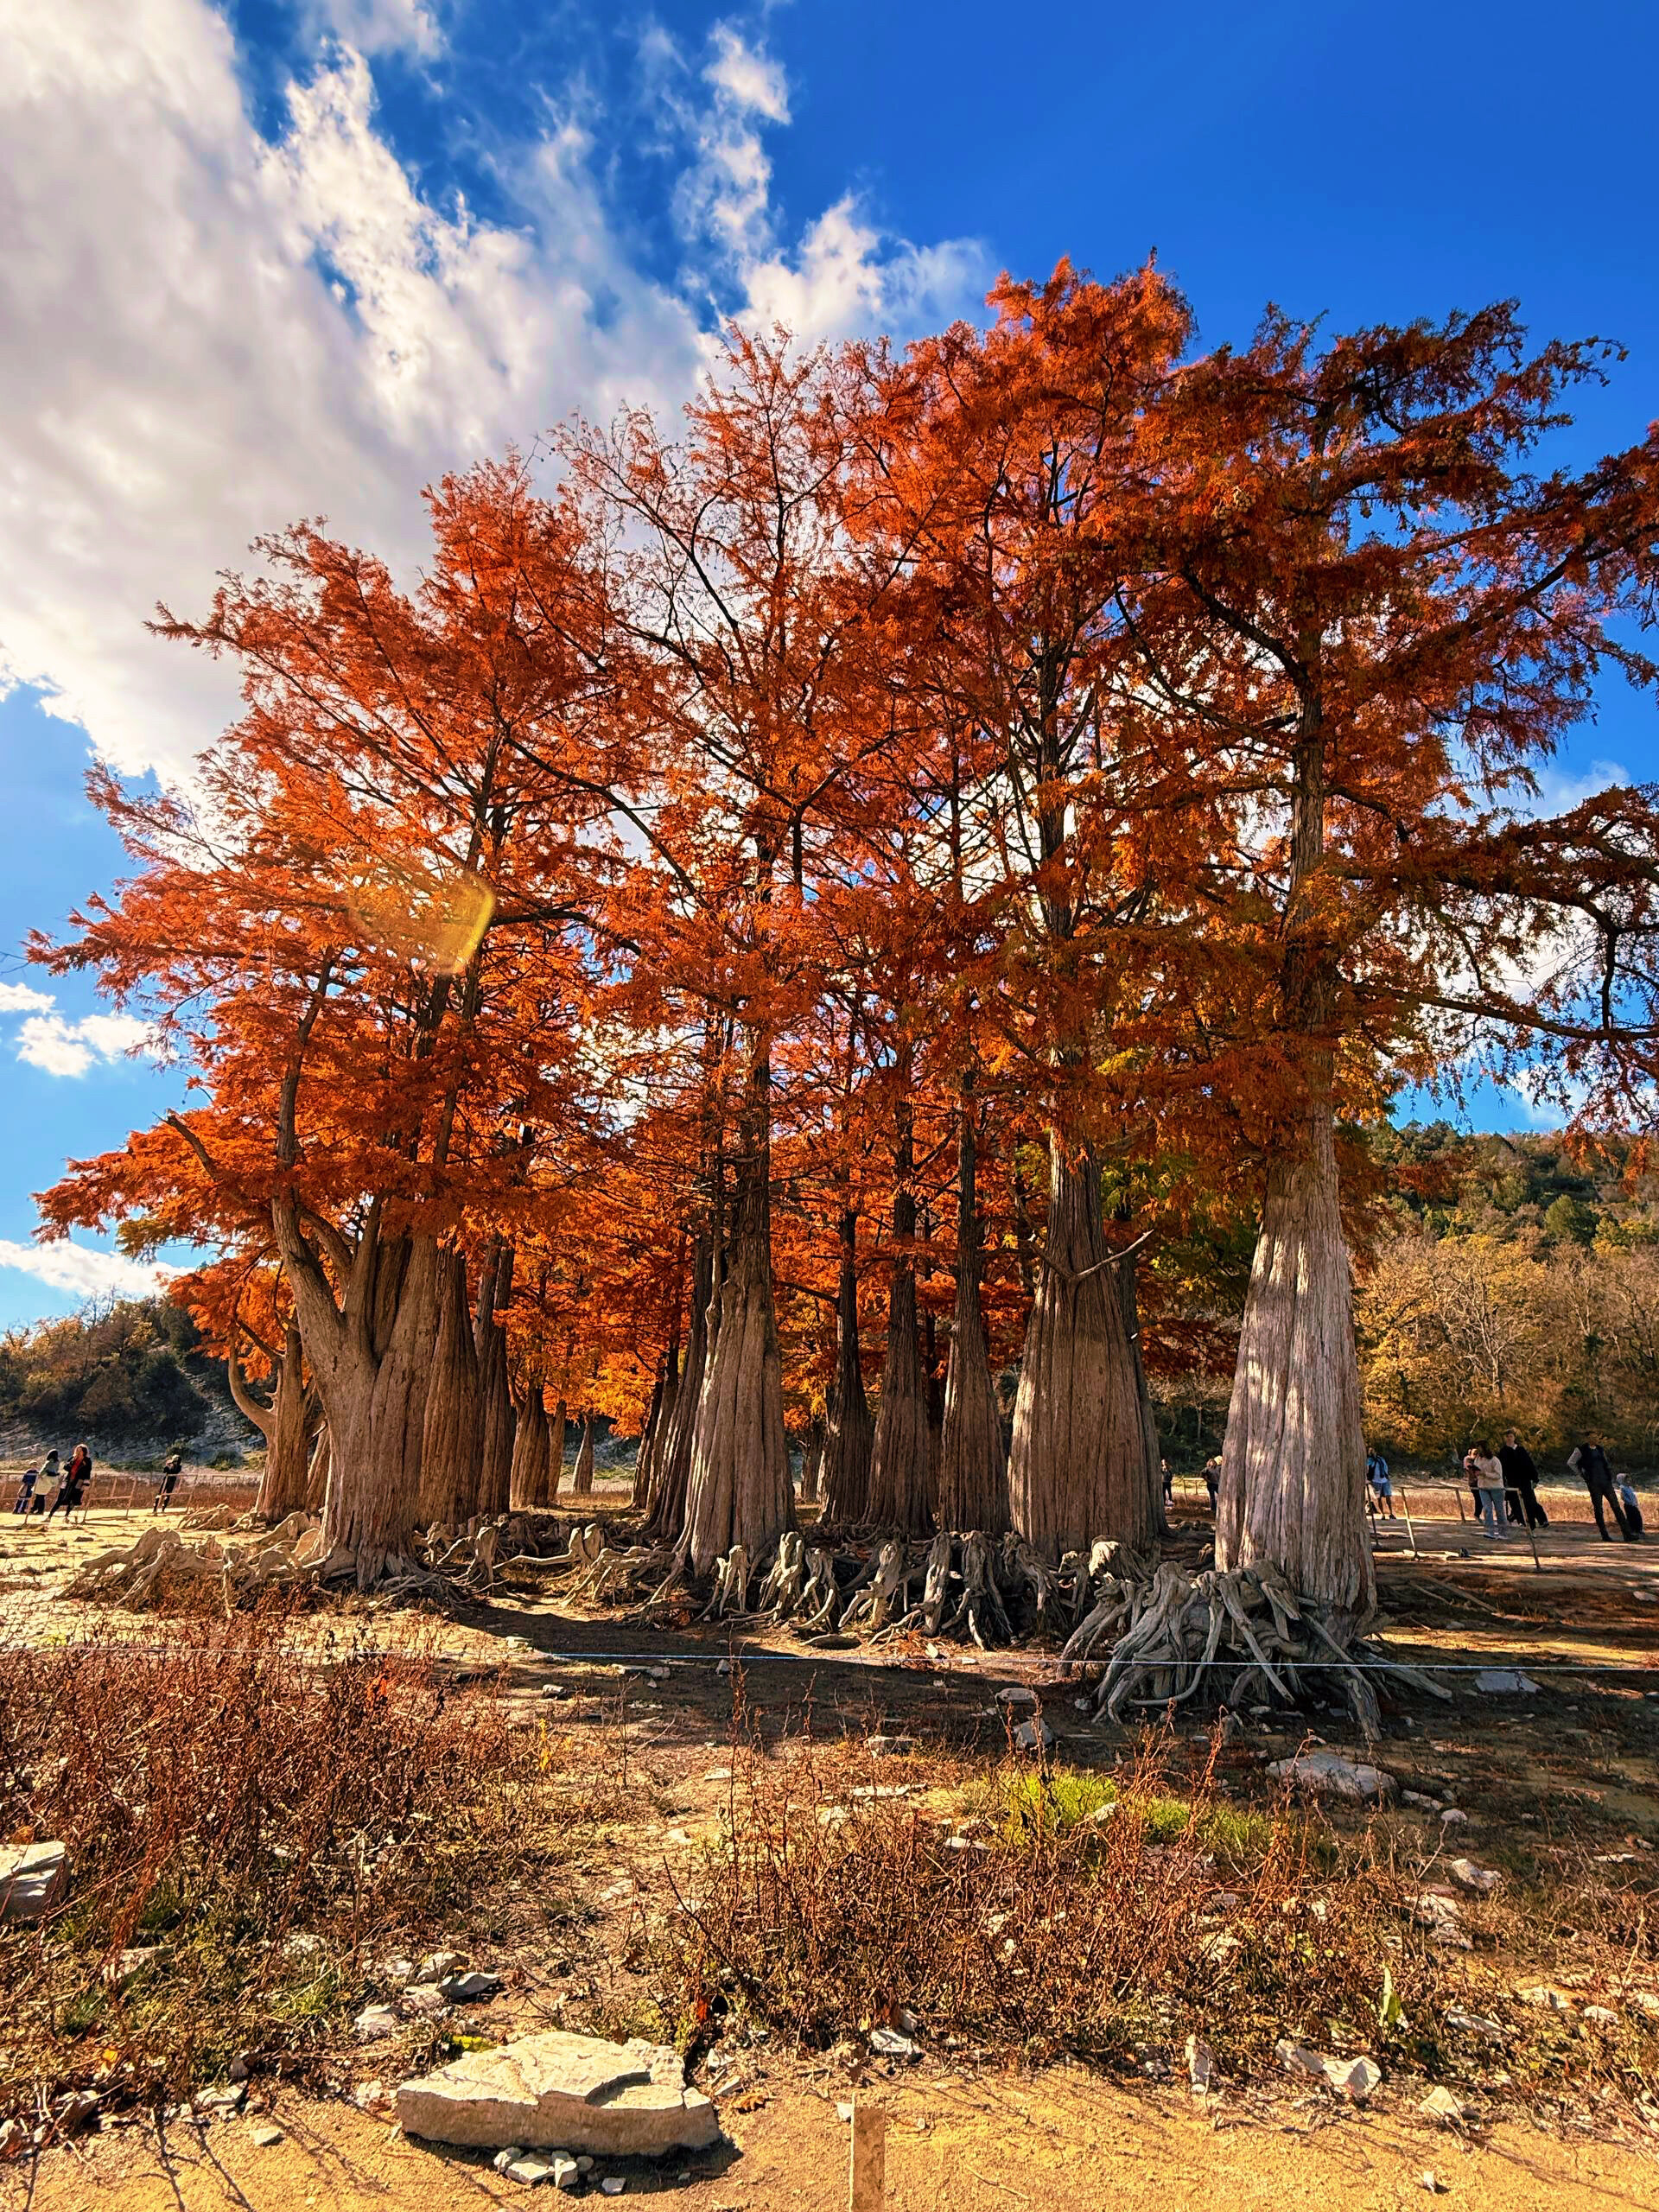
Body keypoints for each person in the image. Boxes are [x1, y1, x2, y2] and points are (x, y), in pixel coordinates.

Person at [1567, 1436, 1635, 1541]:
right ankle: (1604, 1535)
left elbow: (1605, 1463)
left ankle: (1627, 1534)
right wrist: (1582, 1474)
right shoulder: (1581, 1450)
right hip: (1594, 1483)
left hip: (1606, 1482)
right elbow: (1571, 1463)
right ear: (1587, 1438)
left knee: (1616, 1507)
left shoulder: (1600, 1449)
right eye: (1592, 1436)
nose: (1595, 1439)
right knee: (1598, 1509)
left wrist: (1609, 1475)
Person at [1497, 1429, 1548, 1530]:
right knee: (1515, 1503)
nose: (1509, 1438)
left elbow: (1529, 1464)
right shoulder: (1503, 1452)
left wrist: (1535, 1478)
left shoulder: (1521, 1450)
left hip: (1525, 1480)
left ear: (1514, 1437)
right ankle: (1522, 1522)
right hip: (1511, 1481)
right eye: (1507, 1436)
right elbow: (1501, 1468)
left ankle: (1540, 1521)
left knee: (1530, 1502)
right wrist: (1502, 1482)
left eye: (1511, 1436)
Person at [1463, 1441, 1508, 1539]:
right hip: (1483, 1487)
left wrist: (1484, 1474)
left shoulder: (1495, 1460)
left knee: (1499, 1510)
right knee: (1487, 1509)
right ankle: (1490, 1531)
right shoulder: (1478, 1459)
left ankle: (1502, 1532)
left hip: (1496, 1488)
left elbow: (1498, 1475)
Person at [1366, 1446, 1395, 1519]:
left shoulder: (1381, 1459)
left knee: (1388, 1496)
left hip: (1384, 1480)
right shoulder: (1369, 1461)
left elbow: (1386, 1468)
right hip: (1376, 1481)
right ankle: (1383, 1514)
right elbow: (1367, 1469)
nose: (1372, 1453)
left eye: (1373, 1451)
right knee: (1379, 1498)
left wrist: (1386, 1476)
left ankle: (1391, 1513)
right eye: (1370, 1452)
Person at [1616, 1473, 1645, 1539]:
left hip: (1633, 1505)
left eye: (1629, 1480)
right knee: (1631, 1517)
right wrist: (1629, 1502)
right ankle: (1633, 1530)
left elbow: (1633, 1496)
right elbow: (1623, 1497)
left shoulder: (1630, 1488)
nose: (1629, 1482)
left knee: (1637, 1517)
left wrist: (1635, 1502)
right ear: (1623, 1481)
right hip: (1628, 1505)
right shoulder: (1623, 1488)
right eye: (1627, 1480)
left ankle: (1639, 1529)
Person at [154, 1449, 183, 1513]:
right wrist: (168, 1466)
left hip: (172, 1481)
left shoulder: (179, 1467)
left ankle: (163, 1508)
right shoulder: (170, 1465)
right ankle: (155, 1508)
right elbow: (165, 1471)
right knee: (159, 1494)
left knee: (168, 1495)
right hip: (166, 1480)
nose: (176, 1463)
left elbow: (176, 1471)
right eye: (175, 1461)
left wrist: (172, 1467)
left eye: (176, 1462)